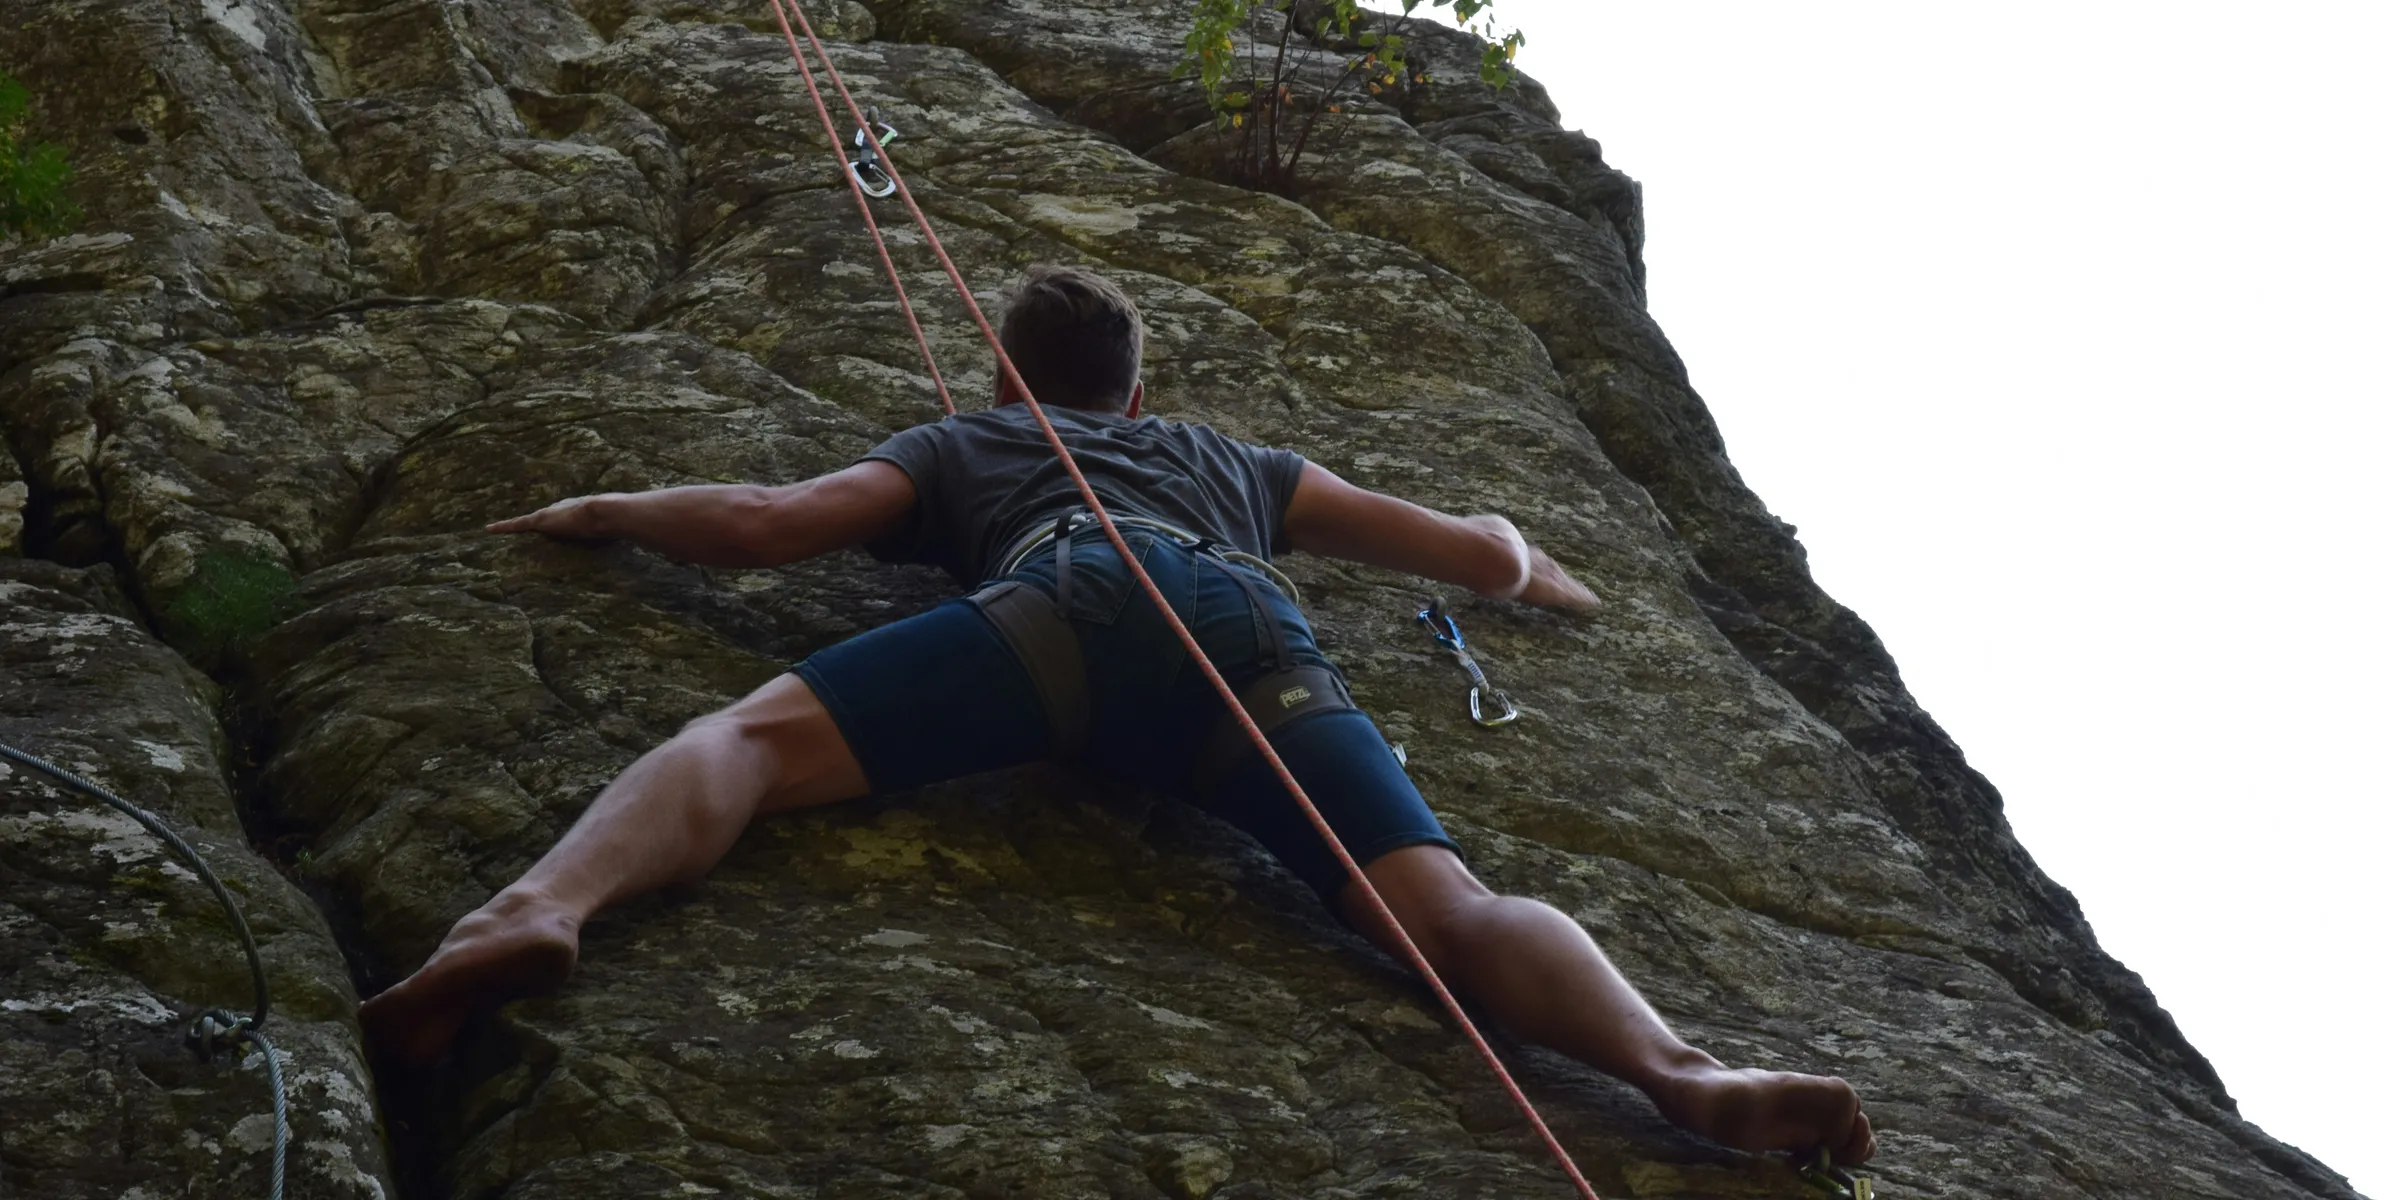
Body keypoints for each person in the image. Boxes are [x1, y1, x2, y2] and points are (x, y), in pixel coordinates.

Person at [361, 265, 1876, 1166]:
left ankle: (534, 908)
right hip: (1250, 644)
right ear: (1136, 400)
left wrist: (597, 503)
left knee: (743, 747)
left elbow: (770, 522)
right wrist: (1549, 578)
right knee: (1451, 908)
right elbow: (1476, 550)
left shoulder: (967, 438)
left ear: (1007, 376)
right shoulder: (1232, 461)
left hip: (1066, 612)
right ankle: (1687, 1075)